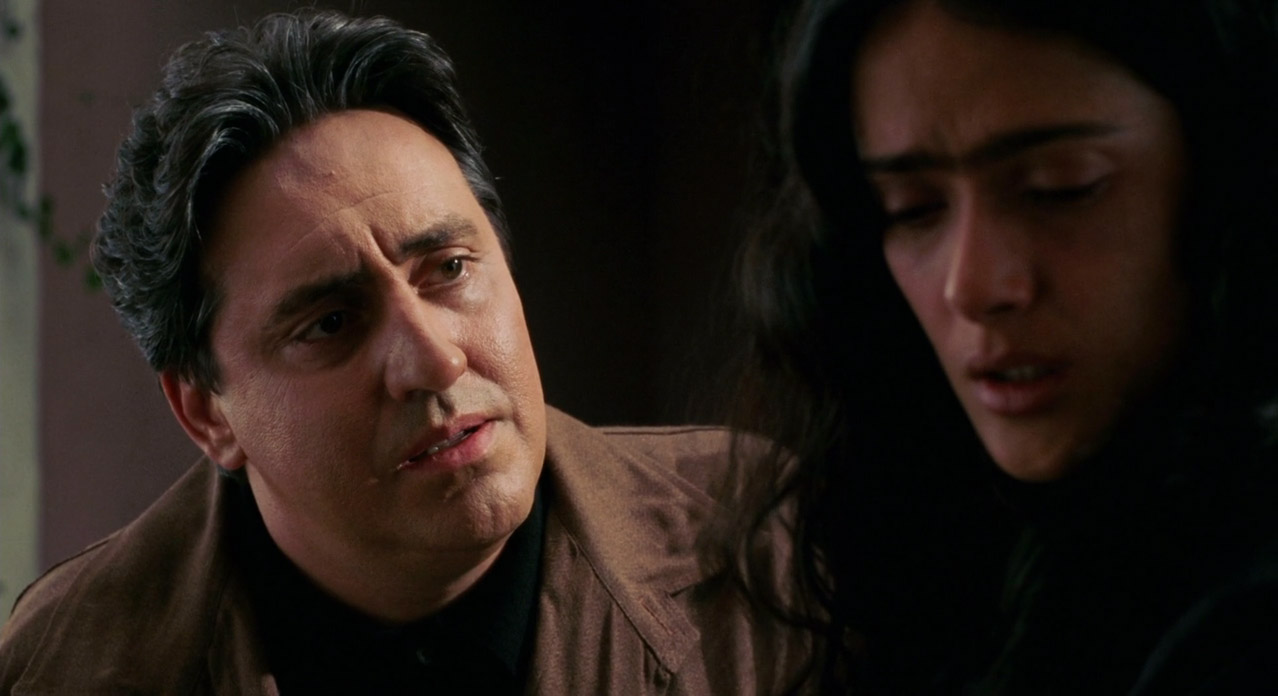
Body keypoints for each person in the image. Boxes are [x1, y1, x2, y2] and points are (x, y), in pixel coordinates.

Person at [0, 10, 804, 695]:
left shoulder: (770, 547)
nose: (437, 361)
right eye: (331, 323)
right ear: (208, 411)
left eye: (450, 270)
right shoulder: (62, 669)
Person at [723, 0, 1278, 693]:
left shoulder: (1244, 619)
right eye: (913, 208)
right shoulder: (929, 552)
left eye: (1060, 188)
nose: (971, 286)